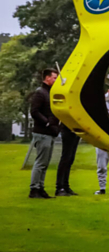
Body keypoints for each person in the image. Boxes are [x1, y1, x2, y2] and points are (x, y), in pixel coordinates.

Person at [28, 68, 61, 199]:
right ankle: (34, 189)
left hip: (50, 132)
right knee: (41, 162)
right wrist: (47, 122)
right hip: (42, 132)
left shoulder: (49, 93)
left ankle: (40, 187)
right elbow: (34, 111)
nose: (56, 80)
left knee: (45, 162)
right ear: (47, 78)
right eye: (54, 78)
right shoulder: (40, 93)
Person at [54, 123, 80, 196]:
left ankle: (65, 186)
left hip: (76, 131)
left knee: (70, 159)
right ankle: (59, 187)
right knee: (65, 158)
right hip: (68, 130)